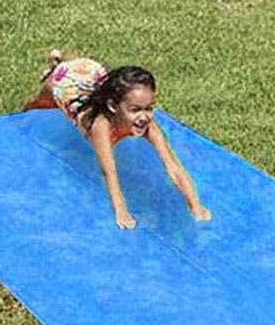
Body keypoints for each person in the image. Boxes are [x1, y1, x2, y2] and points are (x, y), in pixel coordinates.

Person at [24, 52, 211, 230]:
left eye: (149, 108)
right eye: (135, 109)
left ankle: (62, 60)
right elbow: (108, 172)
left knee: (105, 86)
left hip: (91, 72)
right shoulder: (101, 126)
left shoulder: (148, 124)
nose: (144, 117)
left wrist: (194, 205)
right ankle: (50, 74)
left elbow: (173, 166)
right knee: (40, 104)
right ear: (113, 107)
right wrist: (121, 210)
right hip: (66, 83)